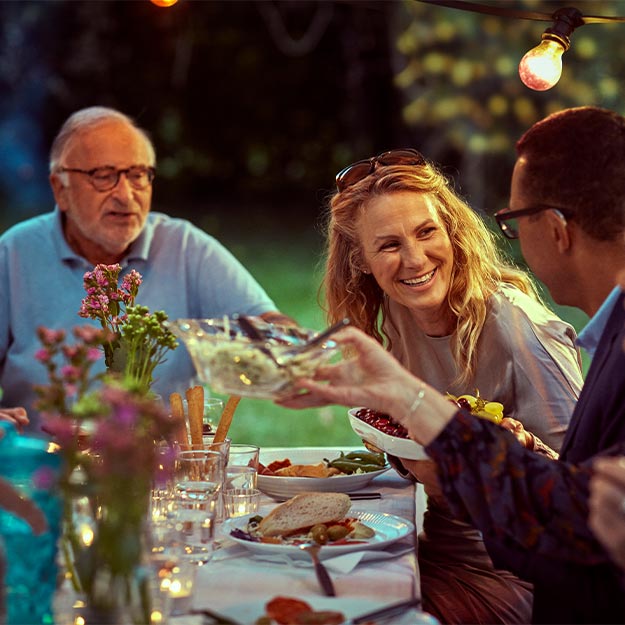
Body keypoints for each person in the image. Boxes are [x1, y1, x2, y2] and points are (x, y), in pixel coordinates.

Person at [281, 106, 625, 624]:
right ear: (361, 261)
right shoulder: (390, 320)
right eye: (390, 245)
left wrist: (460, 464)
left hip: (514, 576)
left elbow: (574, 504)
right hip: (431, 551)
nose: (415, 260)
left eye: (513, 221)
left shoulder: (521, 324)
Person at [0, 106, 290, 433]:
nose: (126, 196)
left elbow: (270, 327)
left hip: (162, 470)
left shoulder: (185, 247)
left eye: (138, 175)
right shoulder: (13, 254)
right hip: (43, 470)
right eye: (103, 176)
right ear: (60, 189)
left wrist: (283, 350)